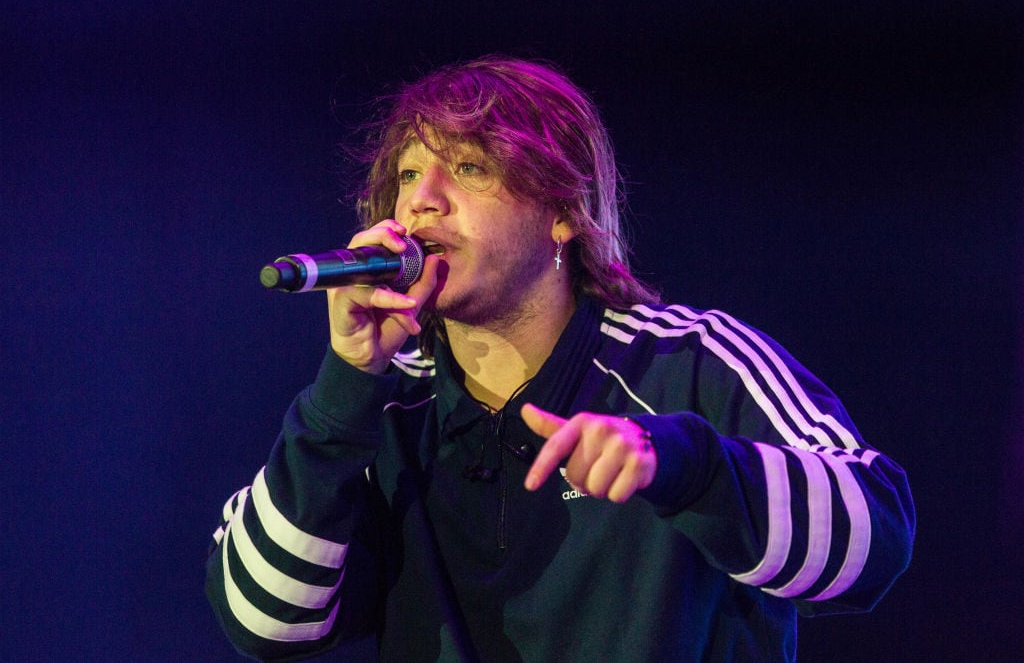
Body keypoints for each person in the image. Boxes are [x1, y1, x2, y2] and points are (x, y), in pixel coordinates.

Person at [206, 55, 915, 661]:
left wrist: (685, 467)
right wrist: (347, 380)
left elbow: (877, 536)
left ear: (564, 212)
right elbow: (265, 620)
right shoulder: (380, 406)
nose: (422, 200)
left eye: (468, 167)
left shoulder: (689, 362)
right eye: (408, 173)